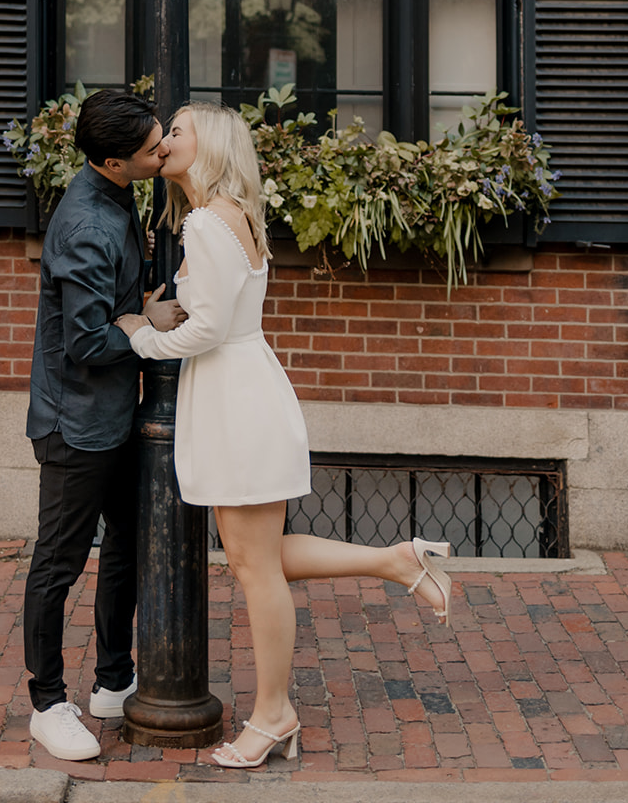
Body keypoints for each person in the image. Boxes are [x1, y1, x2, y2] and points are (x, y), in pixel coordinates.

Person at [115, 102, 454, 771]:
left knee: (252, 567)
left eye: (176, 132)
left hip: (234, 399)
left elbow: (206, 329)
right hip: (243, 390)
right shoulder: (228, 214)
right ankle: (396, 562)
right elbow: (217, 311)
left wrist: (141, 338)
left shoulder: (206, 221)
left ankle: (272, 714)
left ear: (205, 147)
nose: (163, 141)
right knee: (255, 557)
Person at [23, 87, 187, 762]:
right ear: (114, 163)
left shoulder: (121, 194)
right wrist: (144, 325)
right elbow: (86, 343)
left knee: (124, 545)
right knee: (57, 564)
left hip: (117, 413)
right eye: (153, 150)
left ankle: (112, 683)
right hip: (75, 424)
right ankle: (47, 703)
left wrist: (135, 309)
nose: (163, 152)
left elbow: (115, 309)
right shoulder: (88, 222)